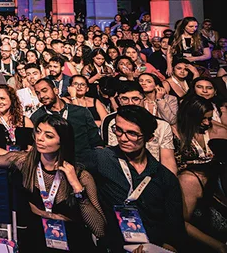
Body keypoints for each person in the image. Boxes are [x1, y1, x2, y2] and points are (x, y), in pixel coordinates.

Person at [0, 115, 106, 252]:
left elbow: (99, 229)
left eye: (48, 135)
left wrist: (77, 188)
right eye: (38, 132)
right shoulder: (25, 161)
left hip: (73, 238)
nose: (40, 138)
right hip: (37, 235)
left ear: (62, 141)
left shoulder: (80, 175)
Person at [89, 105, 188, 252]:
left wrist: (162, 248)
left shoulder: (164, 177)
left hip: (153, 247)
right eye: (119, 130)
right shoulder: (102, 158)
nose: (123, 138)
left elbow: (175, 229)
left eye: (132, 134)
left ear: (149, 137)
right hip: (114, 245)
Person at [173, 96, 227, 252]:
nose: (207, 123)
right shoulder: (174, 133)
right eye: (202, 119)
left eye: (209, 118)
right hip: (191, 188)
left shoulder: (217, 130)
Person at [101, 81, 177, 175]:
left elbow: (168, 161)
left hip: (154, 175)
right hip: (120, 174)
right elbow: (111, 155)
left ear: (143, 99)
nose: (130, 103)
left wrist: (169, 183)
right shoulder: (111, 121)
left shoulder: (161, 125)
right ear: (119, 100)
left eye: (135, 99)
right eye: (125, 99)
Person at [29, 78, 103, 168]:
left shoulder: (80, 112)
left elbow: (96, 142)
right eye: (38, 93)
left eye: (45, 91)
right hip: (56, 167)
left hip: (85, 164)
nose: (42, 96)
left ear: (55, 90)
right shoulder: (37, 117)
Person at [0, 84, 34, 155]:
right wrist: (9, 156)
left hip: (20, 161)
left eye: (2, 98)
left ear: (12, 99)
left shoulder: (25, 122)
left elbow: (31, 148)